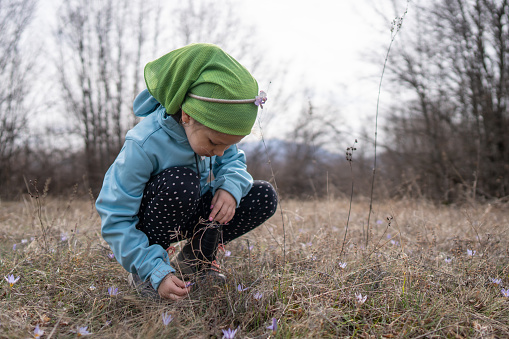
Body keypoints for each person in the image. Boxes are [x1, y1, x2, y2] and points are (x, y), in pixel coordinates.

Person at [95, 43, 278, 301]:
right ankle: (149, 272)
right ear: (188, 115)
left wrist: (229, 187)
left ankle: (196, 260)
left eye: (229, 144)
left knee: (262, 195)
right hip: (153, 222)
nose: (220, 153)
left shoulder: (215, 139)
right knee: (181, 181)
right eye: (215, 143)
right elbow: (115, 216)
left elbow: (233, 163)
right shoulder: (144, 144)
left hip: (191, 211)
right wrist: (152, 268)